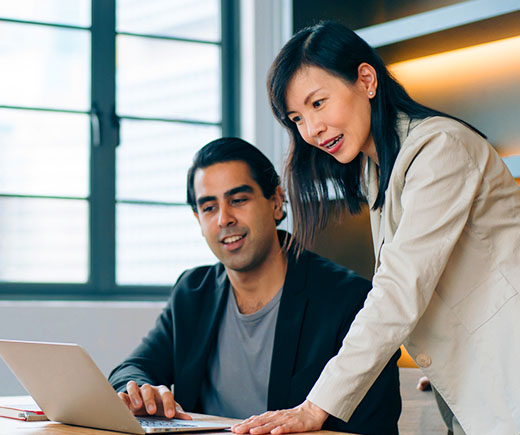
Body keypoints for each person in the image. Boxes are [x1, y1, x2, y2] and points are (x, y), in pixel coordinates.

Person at [232, 21, 520, 435]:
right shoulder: (377, 171)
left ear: (366, 80)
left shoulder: (440, 148)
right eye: (297, 117)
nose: (311, 130)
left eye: (318, 103)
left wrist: (317, 407)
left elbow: (399, 290)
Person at [108, 137, 402, 434]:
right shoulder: (192, 291)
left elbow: (374, 425)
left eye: (238, 200)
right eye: (209, 207)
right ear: (198, 220)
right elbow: (131, 369)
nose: (224, 219)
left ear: (276, 202)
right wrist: (139, 391)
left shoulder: (349, 299)